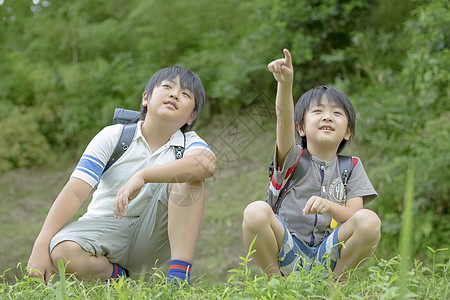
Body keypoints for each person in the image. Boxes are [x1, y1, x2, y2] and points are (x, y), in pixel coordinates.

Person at [27, 66, 216, 285]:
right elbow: (75, 191)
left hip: (151, 236)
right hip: (103, 228)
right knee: (61, 251)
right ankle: (120, 278)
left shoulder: (189, 143)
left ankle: (178, 281)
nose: (174, 94)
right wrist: (40, 244)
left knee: (191, 177)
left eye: (185, 94)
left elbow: (206, 165)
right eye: (167, 87)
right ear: (146, 98)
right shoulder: (114, 136)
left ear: (191, 116)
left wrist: (143, 176)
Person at [242, 49, 381, 280]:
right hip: (288, 248)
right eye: (318, 111)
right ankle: (276, 285)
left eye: (337, 113)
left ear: (347, 131)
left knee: (369, 221)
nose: (327, 117)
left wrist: (329, 206)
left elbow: (354, 215)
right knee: (255, 212)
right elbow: (282, 121)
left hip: (328, 253)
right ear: (301, 128)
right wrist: (285, 84)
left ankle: (335, 286)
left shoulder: (351, 167)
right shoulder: (292, 157)